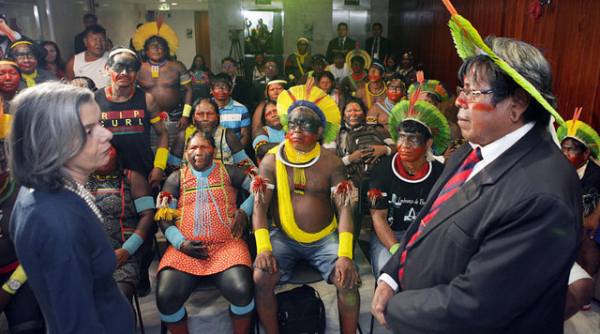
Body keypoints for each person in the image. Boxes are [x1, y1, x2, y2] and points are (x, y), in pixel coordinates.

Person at [370, 11, 582, 330]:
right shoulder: (473, 148)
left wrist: (396, 308)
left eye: (473, 92)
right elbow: (428, 219)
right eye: (462, 89)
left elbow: (477, 305)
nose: (458, 102)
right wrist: (391, 275)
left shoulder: (541, 196)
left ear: (518, 102)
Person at [8, 82, 134, 333]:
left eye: (100, 123)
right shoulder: (58, 222)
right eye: (89, 130)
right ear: (49, 141)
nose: (107, 134)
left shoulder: (44, 192)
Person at [252, 84, 360, 334]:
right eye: (293, 124)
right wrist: (263, 247)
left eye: (306, 125)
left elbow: (345, 209)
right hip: (284, 238)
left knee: (349, 282)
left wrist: (344, 253)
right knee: (260, 278)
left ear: (320, 130)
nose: (297, 130)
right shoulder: (271, 159)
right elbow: (259, 206)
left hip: (324, 239)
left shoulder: (331, 162)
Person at [156, 130, 255, 334]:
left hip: (227, 246)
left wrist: (244, 211)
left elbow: (260, 188)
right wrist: (180, 243)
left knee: (242, 289)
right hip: (184, 249)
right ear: (186, 154)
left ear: (214, 151)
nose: (198, 152)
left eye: (204, 147)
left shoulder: (229, 171)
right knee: (166, 296)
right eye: (193, 148)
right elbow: (164, 216)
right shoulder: (176, 178)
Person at [368, 97, 449, 278]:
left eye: (413, 139)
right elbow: (378, 218)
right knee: (388, 276)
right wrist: (397, 251)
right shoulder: (383, 169)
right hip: (388, 237)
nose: (404, 145)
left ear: (428, 144)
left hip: (423, 236)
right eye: (401, 138)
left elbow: (440, 218)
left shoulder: (439, 172)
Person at [87, 146, 156, 303]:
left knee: (118, 299)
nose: (102, 152)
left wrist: (127, 250)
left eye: (108, 149)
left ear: (117, 153)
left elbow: (148, 216)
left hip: (124, 255)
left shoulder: (133, 178)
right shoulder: (80, 180)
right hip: (87, 256)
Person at [95, 47, 169, 189]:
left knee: (146, 210)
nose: (124, 73)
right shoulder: (94, 100)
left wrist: (159, 167)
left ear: (137, 72)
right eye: (119, 67)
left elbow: (162, 133)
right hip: (105, 177)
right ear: (107, 68)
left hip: (145, 174)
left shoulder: (147, 100)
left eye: (131, 68)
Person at [0, 114, 44, 334]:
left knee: (28, 328)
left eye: (2, 165)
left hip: (19, 273)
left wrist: (10, 288)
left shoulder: (25, 192)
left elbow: (36, 250)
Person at [556, 112, 600, 318]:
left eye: (571, 150)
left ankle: (585, 287)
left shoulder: (596, 173)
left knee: (589, 238)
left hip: (592, 214)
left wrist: (593, 218)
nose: (566, 154)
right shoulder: (559, 167)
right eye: (563, 149)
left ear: (586, 153)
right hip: (568, 214)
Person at [133, 21, 193, 131]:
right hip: (146, 116)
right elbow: (130, 91)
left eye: (160, 46)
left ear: (166, 49)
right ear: (146, 50)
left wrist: (185, 115)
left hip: (175, 116)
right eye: (152, 46)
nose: (156, 49)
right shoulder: (138, 67)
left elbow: (189, 90)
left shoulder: (178, 66)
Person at [328, 97, 396, 185]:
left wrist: (384, 150)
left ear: (364, 114)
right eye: (349, 111)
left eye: (357, 110)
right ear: (343, 116)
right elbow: (328, 163)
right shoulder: (335, 134)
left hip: (379, 182)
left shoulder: (377, 129)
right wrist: (349, 159)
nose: (353, 114)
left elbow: (396, 150)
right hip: (348, 184)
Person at [168, 98, 251, 169]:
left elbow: (243, 166)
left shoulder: (228, 136)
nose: (205, 119)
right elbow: (171, 168)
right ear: (193, 118)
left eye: (210, 114)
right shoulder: (183, 137)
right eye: (200, 114)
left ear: (218, 117)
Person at [211, 73, 251, 149]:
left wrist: (237, 153)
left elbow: (245, 136)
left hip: (236, 151)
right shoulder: (205, 108)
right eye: (217, 87)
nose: (221, 90)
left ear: (231, 90)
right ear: (211, 90)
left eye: (225, 87)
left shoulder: (241, 109)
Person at [65, 24, 111, 89]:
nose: (99, 43)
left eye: (102, 40)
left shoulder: (113, 58)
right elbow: (67, 87)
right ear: (85, 41)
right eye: (94, 40)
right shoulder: (74, 62)